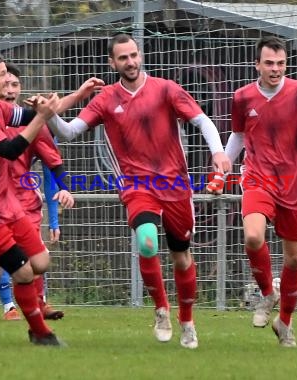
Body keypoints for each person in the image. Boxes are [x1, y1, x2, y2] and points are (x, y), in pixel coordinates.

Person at [45, 33, 231, 349]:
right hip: (136, 185)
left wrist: (217, 152)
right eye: (123, 58)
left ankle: (187, 321)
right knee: (146, 242)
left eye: (133, 55)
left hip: (174, 185)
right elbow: (70, 131)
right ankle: (161, 310)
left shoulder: (166, 89)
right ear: (112, 62)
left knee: (182, 257)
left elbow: (203, 122)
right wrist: (50, 114)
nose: (130, 62)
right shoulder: (105, 98)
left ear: (140, 55)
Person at [0, 52, 99, 346]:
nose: (9, 81)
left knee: (41, 262)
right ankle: (40, 333)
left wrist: (71, 98)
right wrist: (41, 118)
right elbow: (11, 149)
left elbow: (42, 115)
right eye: (2, 75)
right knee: (24, 272)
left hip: (7, 204)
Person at [222, 36, 297, 348]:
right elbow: (238, 137)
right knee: (252, 237)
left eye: (280, 63)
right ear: (257, 64)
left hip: (294, 186)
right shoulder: (243, 97)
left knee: (294, 260)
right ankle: (266, 293)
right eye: (269, 63)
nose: (275, 69)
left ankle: (284, 322)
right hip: (258, 178)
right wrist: (221, 168)